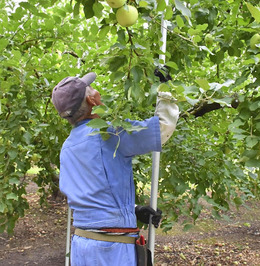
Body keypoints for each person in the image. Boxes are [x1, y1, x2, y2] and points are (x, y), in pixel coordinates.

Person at [51, 72, 179, 266]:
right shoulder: (109, 135)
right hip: (111, 251)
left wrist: (133, 210)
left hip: (81, 246)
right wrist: (167, 91)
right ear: (91, 99)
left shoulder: (67, 146)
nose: (97, 90)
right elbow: (162, 128)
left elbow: (88, 197)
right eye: (93, 88)